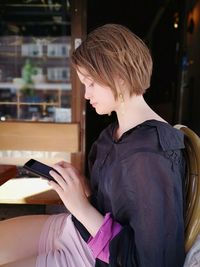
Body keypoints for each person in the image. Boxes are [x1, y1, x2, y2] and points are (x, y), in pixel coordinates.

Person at [0, 23, 186, 267]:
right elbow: (117, 203)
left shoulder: (150, 155)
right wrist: (82, 188)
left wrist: (78, 205)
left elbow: (149, 261)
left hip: (97, 255)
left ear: (118, 77)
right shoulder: (113, 134)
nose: (86, 95)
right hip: (77, 230)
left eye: (91, 84)